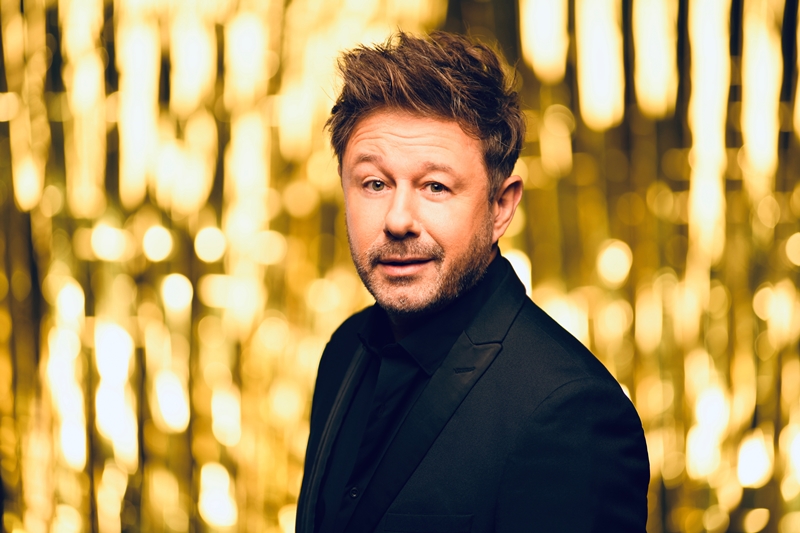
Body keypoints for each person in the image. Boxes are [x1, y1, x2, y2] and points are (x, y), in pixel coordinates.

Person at [296, 31, 649, 533]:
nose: (398, 219)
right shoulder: (344, 351)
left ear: (500, 206)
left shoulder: (571, 413)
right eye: (374, 183)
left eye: (435, 186)